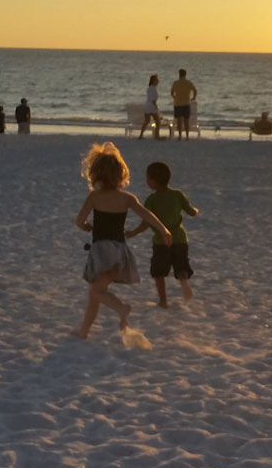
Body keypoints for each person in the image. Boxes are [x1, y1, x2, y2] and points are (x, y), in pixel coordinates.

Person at [74, 143, 171, 340]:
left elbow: (79, 221)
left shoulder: (94, 197)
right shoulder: (127, 198)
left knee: (96, 291)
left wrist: (86, 227)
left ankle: (122, 308)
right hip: (119, 251)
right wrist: (164, 230)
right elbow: (148, 215)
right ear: (120, 174)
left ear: (95, 173)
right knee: (96, 292)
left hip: (102, 251)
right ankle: (84, 330)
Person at [130, 158, 198, 306]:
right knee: (181, 265)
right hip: (180, 238)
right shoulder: (178, 194)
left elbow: (146, 222)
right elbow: (191, 211)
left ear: (154, 181)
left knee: (159, 272)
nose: (147, 181)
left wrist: (133, 232)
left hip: (161, 241)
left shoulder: (152, 199)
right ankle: (184, 282)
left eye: (148, 178)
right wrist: (195, 211)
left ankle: (163, 300)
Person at [170, 67, 198, 138]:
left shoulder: (176, 83)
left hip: (177, 104)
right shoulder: (188, 83)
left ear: (179, 74)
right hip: (186, 103)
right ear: (185, 74)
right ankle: (187, 136)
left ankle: (180, 136)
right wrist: (193, 97)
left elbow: (172, 93)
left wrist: (175, 97)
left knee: (179, 121)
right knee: (186, 121)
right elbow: (195, 90)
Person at [139, 75, 161, 139]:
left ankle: (141, 135)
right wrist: (156, 107)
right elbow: (153, 100)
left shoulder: (149, 88)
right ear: (154, 81)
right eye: (157, 80)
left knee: (147, 121)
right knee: (158, 121)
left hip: (147, 105)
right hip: (151, 106)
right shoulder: (153, 88)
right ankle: (157, 135)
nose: (158, 81)